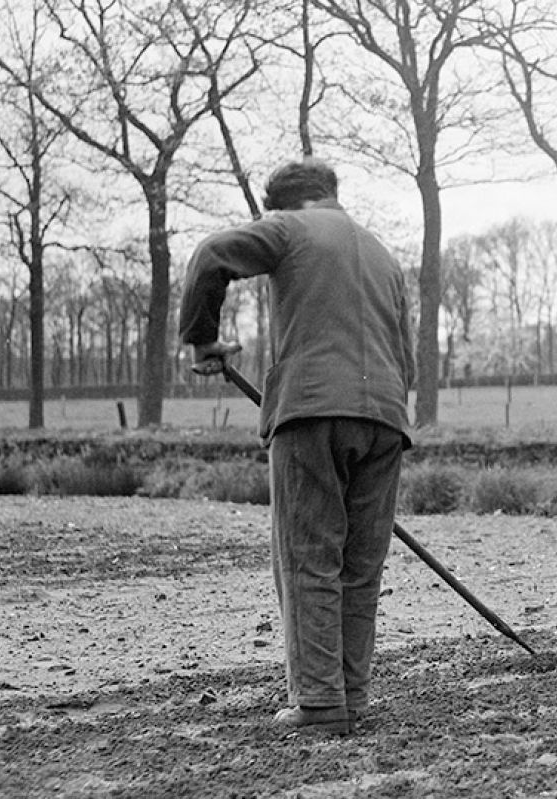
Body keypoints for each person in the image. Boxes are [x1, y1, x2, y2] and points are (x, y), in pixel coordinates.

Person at [177, 158, 415, 735]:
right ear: (331, 195)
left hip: (311, 411)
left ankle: (318, 702)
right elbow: (406, 352)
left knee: (309, 555)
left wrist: (203, 340)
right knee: (360, 565)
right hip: (385, 416)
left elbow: (211, 256)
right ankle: (351, 696)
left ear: (279, 205)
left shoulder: (287, 229)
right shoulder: (383, 254)